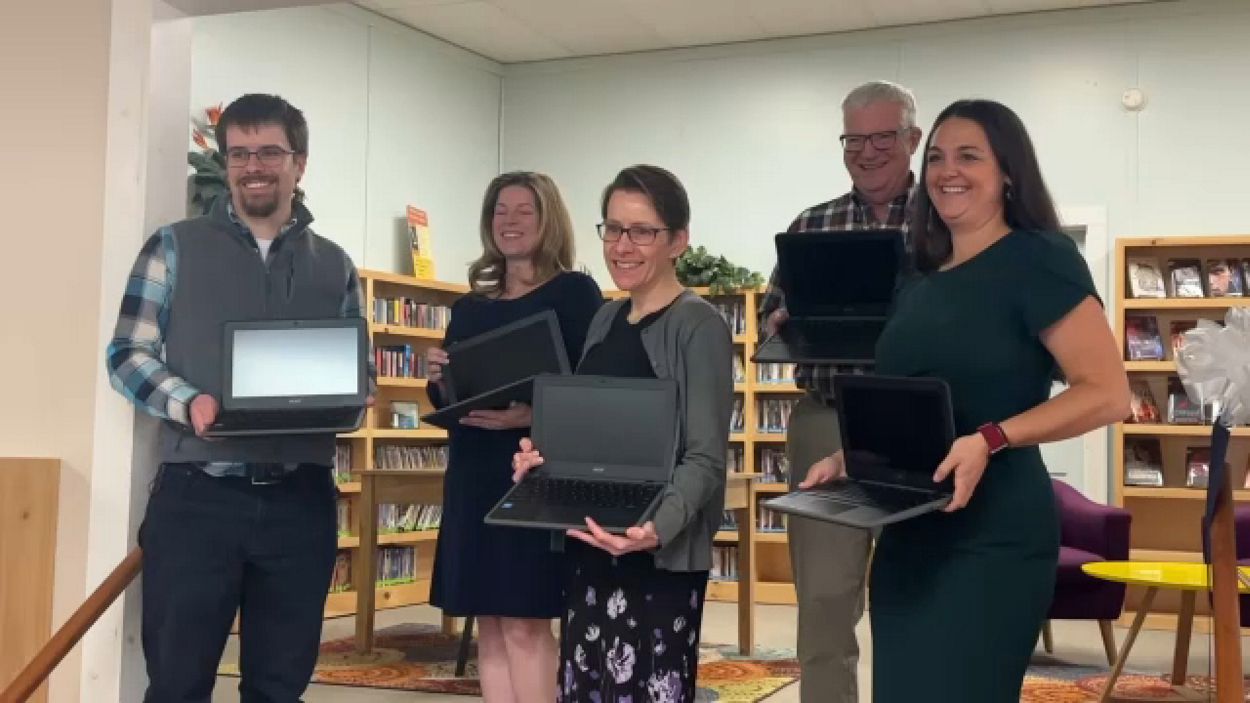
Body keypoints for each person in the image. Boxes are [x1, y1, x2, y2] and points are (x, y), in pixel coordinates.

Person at [802, 99, 1130, 701]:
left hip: (993, 535)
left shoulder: (1040, 258)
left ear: (1008, 173)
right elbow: (916, 399)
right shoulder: (918, 277)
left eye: (969, 156)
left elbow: (1108, 394)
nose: (947, 171)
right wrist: (855, 456)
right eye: (936, 158)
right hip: (908, 533)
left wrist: (992, 438)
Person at [106, 94, 373, 701]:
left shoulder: (335, 265)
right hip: (197, 500)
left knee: (279, 687)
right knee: (177, 685)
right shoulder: (172, 247)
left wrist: (356, 395)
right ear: (225, 162)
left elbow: (357, 371)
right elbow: (128, 354)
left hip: (301, 501)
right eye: (239, 153)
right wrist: (188, 402)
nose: (254, 166)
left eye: (270, 152)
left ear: (299, 163)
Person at [511, 164, 733, 702]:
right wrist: (540, 461)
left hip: (656, 552)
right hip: (590, 539)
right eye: (612, 228)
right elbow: (589, 428)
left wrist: (656, 528)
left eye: (642, 231)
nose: (622, 246)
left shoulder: (699, 325)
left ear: (678, 240)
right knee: (585, 688)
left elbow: (705, 456)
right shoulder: (605, 320)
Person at [754, 79, 922, 703]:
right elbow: (773, 310)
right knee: (824, 599)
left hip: (924, 424)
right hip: (826, 415)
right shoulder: (811, 224)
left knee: (920, 594)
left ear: (913, 138)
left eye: (883, 137)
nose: (867, 151)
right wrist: (782, 321)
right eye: (855, 139)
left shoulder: (947, 221)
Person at [426, 171, 602, 703]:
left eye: (525, 210)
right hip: (472, 472)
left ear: (548, 220)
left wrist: (529, 415)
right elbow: (451, 397)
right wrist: (437, 379)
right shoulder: (468, 308)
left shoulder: (575, 293)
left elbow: (592, 388)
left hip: (532, 474)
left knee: (525, 623)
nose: (510, 221)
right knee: (489, 622)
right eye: (500, 211)